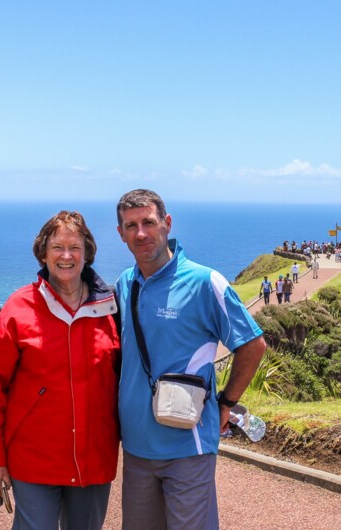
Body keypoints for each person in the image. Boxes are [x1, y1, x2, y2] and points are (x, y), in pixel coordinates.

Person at [115, 189, 266, 529]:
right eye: (131, 225)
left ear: (166, 224)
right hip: (137, 448)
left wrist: (227, 402)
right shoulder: (126, 284)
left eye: (149, 223)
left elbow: (253, 345)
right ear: (121, 233)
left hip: (188, 443)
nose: (141, 233)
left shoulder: (204, 282)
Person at [0, 211, 120, 530]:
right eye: (57, 247)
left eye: (75, 247)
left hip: (94, 461)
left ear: (87, 253)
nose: (66, 256)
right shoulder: (18, 309)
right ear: (43, 252)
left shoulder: (111, 308)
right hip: (33, 460)